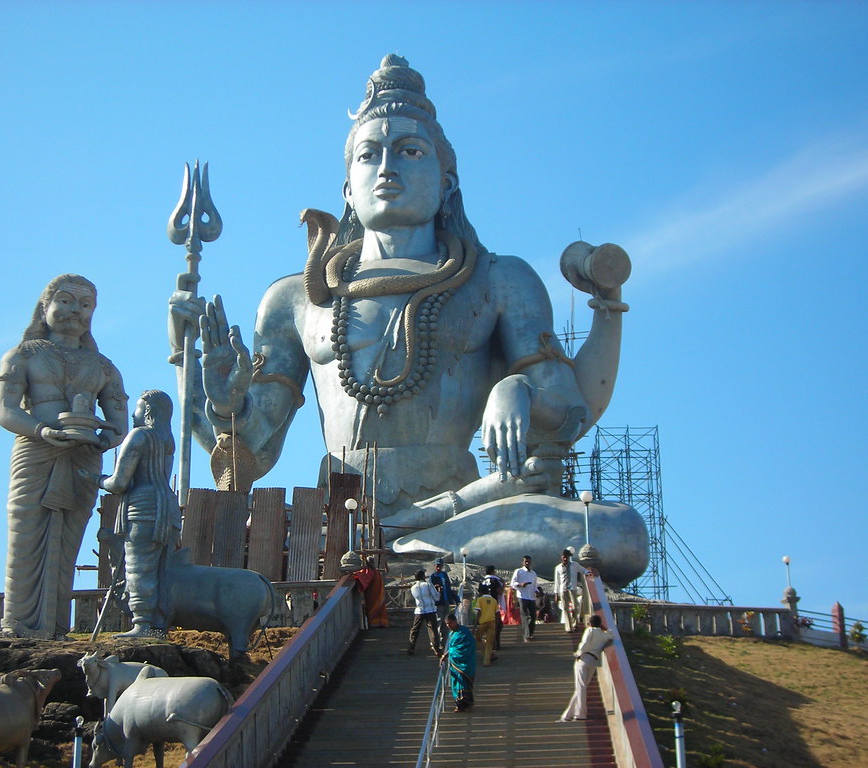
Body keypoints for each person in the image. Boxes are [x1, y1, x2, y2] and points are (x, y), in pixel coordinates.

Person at [167, 54, 635, 577]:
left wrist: (517, 389)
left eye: (410, 151)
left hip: (468, 504)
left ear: (447, 182)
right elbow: (245, 455)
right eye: (369, 155)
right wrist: (214, 392)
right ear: (347, 187)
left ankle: (411, 549)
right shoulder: (297, 298)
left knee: (617, 535)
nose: (387, 167)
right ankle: (411, 553)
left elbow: (566, 412)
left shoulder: (499, 279)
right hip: (333, 517)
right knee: (231, 539)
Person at [0, 274, 128, 639]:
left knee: (67, 543)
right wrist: (42, 430)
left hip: (81, 460)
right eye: (67, 301)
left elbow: (119, 424)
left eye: (86, 305)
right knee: (25, 537)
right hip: (36, 453)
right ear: (46, 306)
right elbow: (5, 410)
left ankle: (54, 627)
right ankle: (17, 624)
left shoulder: (102, 366)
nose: (75, 311)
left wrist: (103, 440)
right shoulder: (23, 355)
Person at [82, 390, 179, 638]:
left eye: (137, 409)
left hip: (143, 508)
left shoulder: (139, 436)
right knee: (161, 570)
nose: (133, 416)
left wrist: (95, 479)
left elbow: (119, 483)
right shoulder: (167, 440)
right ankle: (158, 624)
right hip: (167, 507)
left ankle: (142, 623)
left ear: (147, 411)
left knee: (139, 567)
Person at [558, 614, 613, 722]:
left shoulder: (590, 631)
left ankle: (580, 714)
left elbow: (584, 643)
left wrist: (577, 654)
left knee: (580, 688)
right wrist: (604, 628)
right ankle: (567, 715)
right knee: (581, 688)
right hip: (593, 661)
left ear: (590, 623)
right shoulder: (603, 634)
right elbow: (612, 634)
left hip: (583, 659)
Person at [442, 614, 476, 711]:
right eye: (447, 624)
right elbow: (452, 648)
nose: (449, 625)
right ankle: (459, 705)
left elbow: (466, 647)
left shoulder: (464, 632)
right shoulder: (451, 633)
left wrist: (451, 652)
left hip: (465, 663)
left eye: (450, 623)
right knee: (457, 683)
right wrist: (445, 655)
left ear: (455, 621)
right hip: (455, 665)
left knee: (464, 684)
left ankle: (466, 704)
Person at [554, 548, 591, 632]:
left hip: (572, 589)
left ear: (568, 557)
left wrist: (589, 573)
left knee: (575, 607)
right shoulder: (558, 568)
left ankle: (575, 623)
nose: (565, 558)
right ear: (561, 557)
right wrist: (556, 593)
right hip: (563, 589)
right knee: (565, 608)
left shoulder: (575, 565)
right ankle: (569, 627)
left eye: (566, 557)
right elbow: (557, 581)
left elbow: (583, 570)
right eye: (563, 557)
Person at [407, 569, 441, 656]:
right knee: (433, 630)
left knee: (415, 629)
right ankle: (436, 649)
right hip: (430, 610)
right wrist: (439, 591)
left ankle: (411, 647)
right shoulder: (428, 585)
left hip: (419, 610)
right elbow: (436, 597)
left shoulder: (413, 587)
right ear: (423, 576)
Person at [353, 557, 389, 628]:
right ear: (367, 563)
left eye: (372, 562)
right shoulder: (367, 571)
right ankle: (374, 624)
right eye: (370, 562)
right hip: (371, 595)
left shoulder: (375, 572)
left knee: (379, 609)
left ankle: (380, 623)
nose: (372, 564)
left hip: (377, 594)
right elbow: (361, 578)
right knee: (372, 609)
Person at [511, 555, 539, 641]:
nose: (527, 563)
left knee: (533, 616)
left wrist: (537, 591)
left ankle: (530, 633)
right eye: (525, 561)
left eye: (529, 561)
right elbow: (512, 583)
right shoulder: (519, 571)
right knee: (525, 616)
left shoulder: (533, 573)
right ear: (523, 562)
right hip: (522, 596)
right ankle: (526, 635)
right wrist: (520, 584)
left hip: (531, 597)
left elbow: (535, 586)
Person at [478, 565, 505, 651]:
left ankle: (489, 642)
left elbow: (479, 593)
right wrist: (503, 584)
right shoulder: (495, 580)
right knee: (497, 624)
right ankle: (495, 643)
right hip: (493, 603)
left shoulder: (482, 581)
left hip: (483, 605)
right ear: (493, 571)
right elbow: (499, 591)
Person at [429, 559, 457, 634]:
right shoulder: (433, 576)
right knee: (438, 621)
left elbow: (448, 587)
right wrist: (436, 588)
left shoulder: (444, 575)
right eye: (437, 566)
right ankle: (436, 641)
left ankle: (444, 642)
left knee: (446, 622)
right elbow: (431, 589)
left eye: (440, 566)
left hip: (446, 601)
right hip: (438, 602)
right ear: (434, 566)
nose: (438, 568)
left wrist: (453, 598)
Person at [473, 590, 499, 666]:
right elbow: (497, 614)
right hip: (492, 623)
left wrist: (475, 625)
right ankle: (487, 661)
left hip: (482, 623)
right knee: (489, 643)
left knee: (477, 639)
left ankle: (487, 654)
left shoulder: (480, 600)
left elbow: (479, 612)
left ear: (481, 592)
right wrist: (496, 626)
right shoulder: (494, 601)